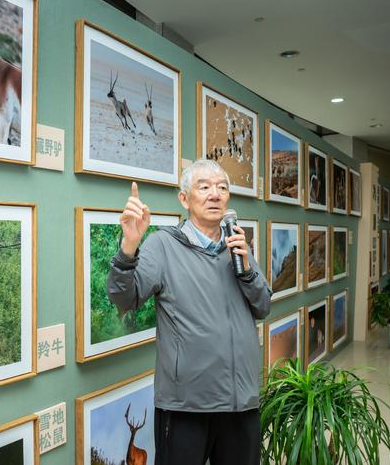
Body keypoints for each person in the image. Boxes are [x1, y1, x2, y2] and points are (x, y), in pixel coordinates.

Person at [106, 159, 271, 465]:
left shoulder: (237, 246)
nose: (215, 194)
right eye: (204, 186)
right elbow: (123, 297)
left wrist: (247, 269)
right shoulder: (163, 245)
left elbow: (263, 306)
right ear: (184, 199)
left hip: (240, 403)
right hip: (186, 408)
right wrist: (129, 247)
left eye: (222, 188)